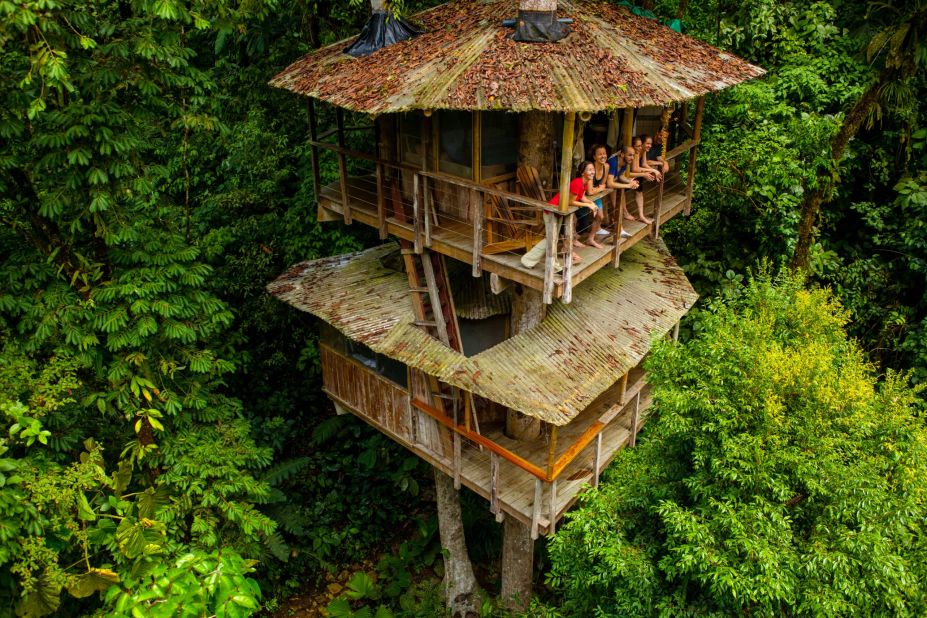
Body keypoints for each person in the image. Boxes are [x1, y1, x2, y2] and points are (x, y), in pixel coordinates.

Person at [550, 159, 601, 252]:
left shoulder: (584, 182)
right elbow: (571, 202)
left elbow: (582, 197)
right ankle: (567, 250)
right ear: (582, 172)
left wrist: (592, 204)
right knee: (560, 231)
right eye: (589, 170)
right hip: (555, 208)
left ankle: (568, 248)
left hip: (563, 209)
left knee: (579, 224)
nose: (592, 172)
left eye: (593, 169)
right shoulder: (577, 183)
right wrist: (588, 205)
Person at [630, 136, 661, 224]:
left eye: (650, 144)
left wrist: (653, 171)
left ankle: (641, 215)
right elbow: (635, 169)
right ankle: (625, 213)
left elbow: (643, 164)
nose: (649, 146)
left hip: (638, 173)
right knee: (623, 194)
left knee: (639, 192)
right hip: (630, 173)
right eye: (647, 143)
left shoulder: (642, 151)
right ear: (642, 144)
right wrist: (651, 170)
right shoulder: (636, 152)